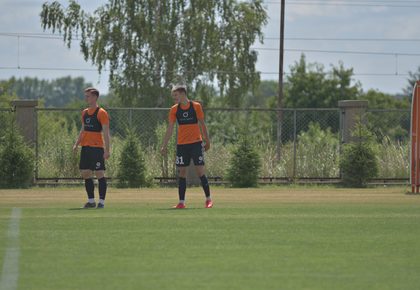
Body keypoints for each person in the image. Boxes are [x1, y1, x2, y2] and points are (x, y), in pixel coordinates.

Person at [160, 84, 213, 209]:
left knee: (200, 171)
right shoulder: (174, 109)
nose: (174, 98)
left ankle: (208, 200)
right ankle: (181, 202)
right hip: (182, 145)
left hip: (196, 143)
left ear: (183, 93)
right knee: (182, 173)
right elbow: (170, 128)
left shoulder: (196, 106)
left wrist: (207, 141)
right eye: (173, 96)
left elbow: (202, 125)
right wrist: (164, 145)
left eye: (176, 95)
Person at [73, 87, 111, 209]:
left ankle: (101, 202)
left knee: (99, 173)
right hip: (86, 148)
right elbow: (83, 130)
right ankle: (91, 201)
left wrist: (107, 150)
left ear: (95, 97)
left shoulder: (101, 113)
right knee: (85, 173)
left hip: (97, 148)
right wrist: (77, 143)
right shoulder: (84, 112)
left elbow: (106, 133)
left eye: (88, 96)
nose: (86, 98)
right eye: (86, 96)